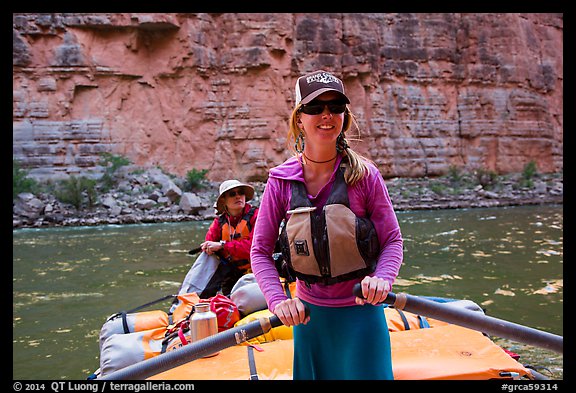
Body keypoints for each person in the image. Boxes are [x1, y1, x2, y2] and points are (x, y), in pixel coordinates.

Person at [250, 70, 403, 380]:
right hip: (309, 320)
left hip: (363, 315)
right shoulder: (280, 182)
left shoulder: (365, 176)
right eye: (315, 107)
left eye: (336, 107)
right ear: (299, 118)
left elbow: (392, 241)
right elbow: (260, 250)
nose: (327, 115)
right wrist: (278, 301)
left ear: (344, 117)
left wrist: (383, 279)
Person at [199, 179, 259, 296]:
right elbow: (209, 243)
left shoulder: (256, 215)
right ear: (224, 200)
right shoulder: (219, 222)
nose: (238, 196)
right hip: (231, 275)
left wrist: (222, 245)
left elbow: (254, 248)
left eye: (241, 192)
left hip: (257, 273)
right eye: (232, 194)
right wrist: (208, 247)